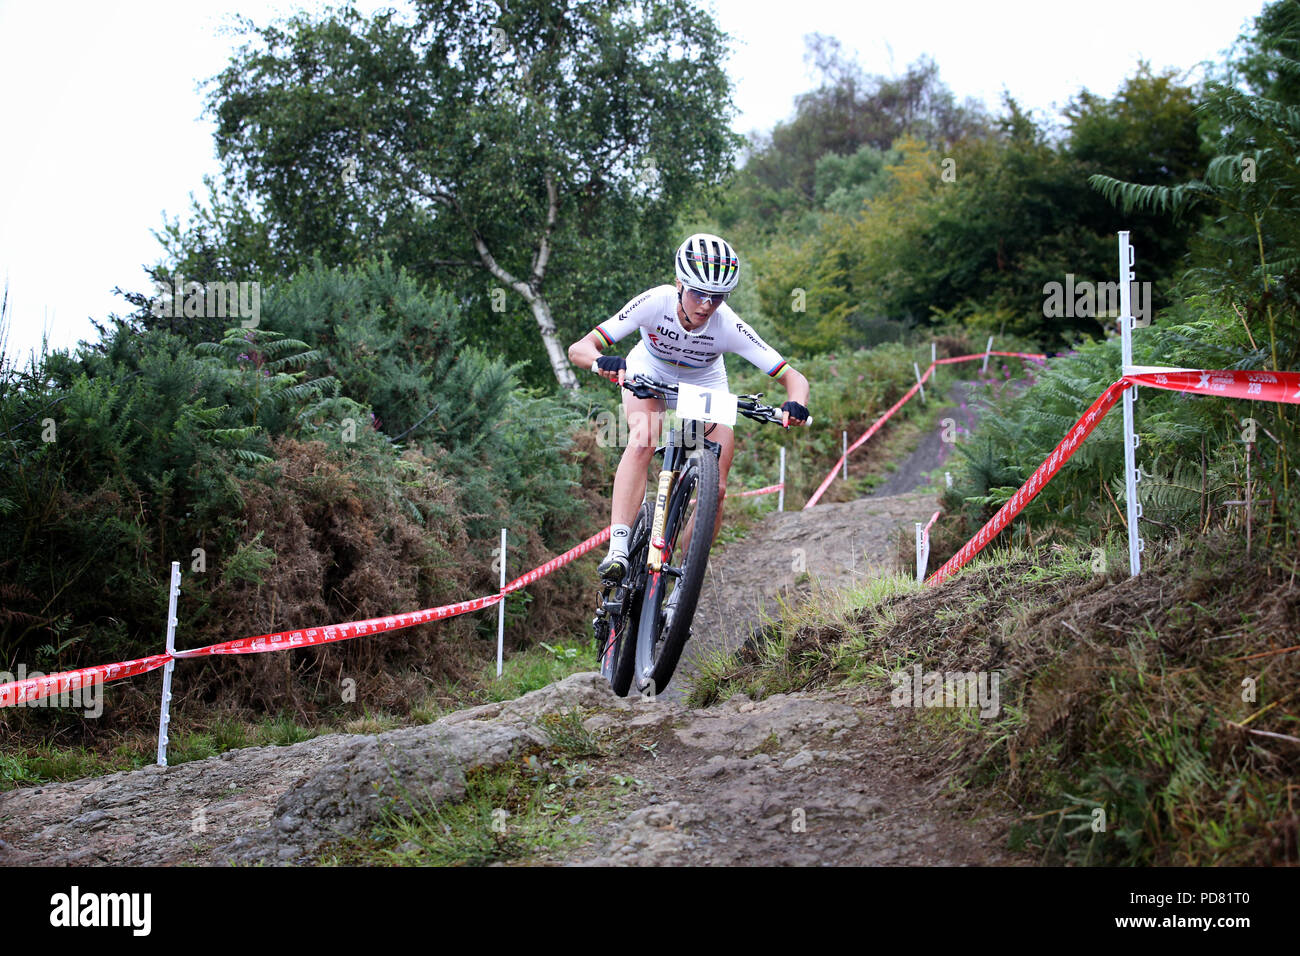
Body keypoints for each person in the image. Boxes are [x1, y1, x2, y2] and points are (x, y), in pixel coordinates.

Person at [567, 233, 811, 584]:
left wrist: (796, 404)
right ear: (679, 284)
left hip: (704, 384)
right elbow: (580, 348)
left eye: (717, 297)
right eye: (698, 293)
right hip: (649, 373)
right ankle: (618, 550)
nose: (706, 305)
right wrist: (601, 360)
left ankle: (684, 577)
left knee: (719, 487)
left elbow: (793, 377)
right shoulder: (655, 302)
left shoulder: (729, 324)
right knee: (642, 439)